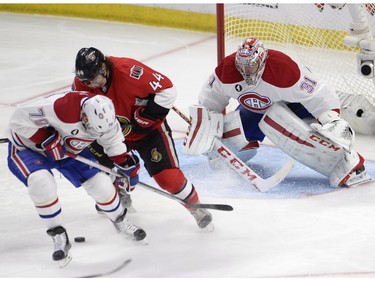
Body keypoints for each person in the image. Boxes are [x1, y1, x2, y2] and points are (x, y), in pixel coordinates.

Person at [182, 36, 370, 188]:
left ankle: (351, 165)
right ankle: (231, 154)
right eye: (243, 67)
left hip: (296, 105)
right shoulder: (226, 72)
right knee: (222, 149)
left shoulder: (283, 69)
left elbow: (318, 92)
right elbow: (210, 100)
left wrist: (330, 118)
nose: (247, 72)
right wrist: (204, 124)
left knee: (299, 134)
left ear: (262, 60)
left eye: (252, 66)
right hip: (255, 110)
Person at [72, 47, 213, 230]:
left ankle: (196, 209)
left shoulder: (129, 71)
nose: (90, 84)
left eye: (93, 79)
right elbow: (77, 111)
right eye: (86, 80)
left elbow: (167, 90)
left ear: (103, 68)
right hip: (107, 134)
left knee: (168, 179)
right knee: (95, 170)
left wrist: (144, 118)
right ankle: (118, 193)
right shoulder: (82, 82)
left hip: (147, 133)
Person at [7, 91, 146, 267]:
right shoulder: (61, 107)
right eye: (92, 128)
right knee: (41, 182)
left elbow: (113, 142)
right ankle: (57, 234)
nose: (95, 133)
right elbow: (17, 118)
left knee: (102, 185)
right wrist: (44, 139)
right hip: (28, 147)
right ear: (84, 116)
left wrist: (126, 165)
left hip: (69, 149)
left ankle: (121, 221)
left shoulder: (106, 120)